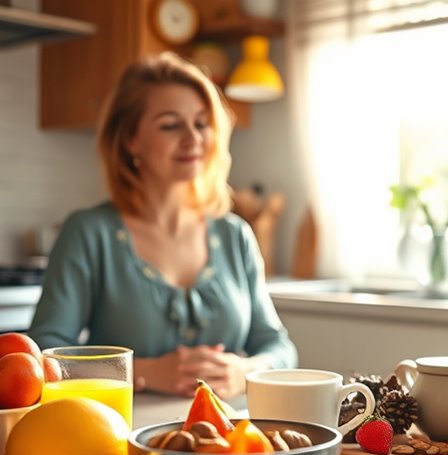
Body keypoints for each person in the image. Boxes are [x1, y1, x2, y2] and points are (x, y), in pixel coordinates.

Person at [29, 52, 297, 399]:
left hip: (229, 436)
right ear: (130, 140)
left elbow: (280, 347)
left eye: (201, 124)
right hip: (118, 436)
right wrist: (142, 372)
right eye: (171, 125)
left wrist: (244, 370)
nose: (193, 138)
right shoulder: (88, 233)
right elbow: (43, 354)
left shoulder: (235, 235)